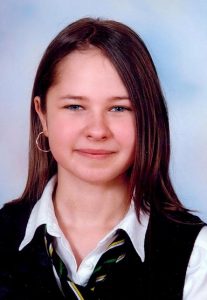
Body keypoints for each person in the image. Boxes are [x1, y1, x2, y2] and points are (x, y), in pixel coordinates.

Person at [0, 17, 206, 300]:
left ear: (148, 118)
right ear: (42, 115)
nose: (97, 130)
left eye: (119, 108)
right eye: (74, 106)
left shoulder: (197, 255)